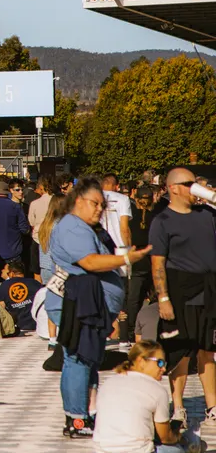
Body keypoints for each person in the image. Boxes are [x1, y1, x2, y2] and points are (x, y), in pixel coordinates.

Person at [47, 181, 151, 439]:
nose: (99, 209)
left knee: (88, 359)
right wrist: (127, 259)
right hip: (79, 303)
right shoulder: (72, 226)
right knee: (78, 359)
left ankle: (87, 412)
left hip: (91, 304)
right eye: (95, 204)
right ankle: (77, 418)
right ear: (78, 201)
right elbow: (90, 262)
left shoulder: (86, 226)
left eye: (103, 205)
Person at [147, 167, 216, 426]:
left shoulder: (206, 214)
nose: (193, 187)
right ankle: (178, 407)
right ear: (173, 188)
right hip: (180, 288)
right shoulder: (162, 221)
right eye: (189, 184)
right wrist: (163, 298)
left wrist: (208, 195)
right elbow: (157, 264)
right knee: (181, 351)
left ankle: (212, 406)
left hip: (209, 288)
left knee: (208, 349)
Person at [71, 341, 199, 453]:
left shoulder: (108, 382)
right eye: (159, 362)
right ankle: (189, 451)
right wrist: (177, 437)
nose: (164, 368)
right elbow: (165, 437)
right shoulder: (156, 389)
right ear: (141, 361)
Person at [123, 187, 157, 344]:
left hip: (136, 263)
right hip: (154, 262)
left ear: (135, 199)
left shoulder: (130, 219)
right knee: (155, 298)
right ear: (153, 198)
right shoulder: (157, 217)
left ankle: (132, 331)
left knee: (133, 300)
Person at [0, 259, 42, 333]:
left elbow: (2, 309)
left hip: (18, 326)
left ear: (11, 273)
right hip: (36, 324)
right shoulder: (34, 283)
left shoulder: (3, 286)